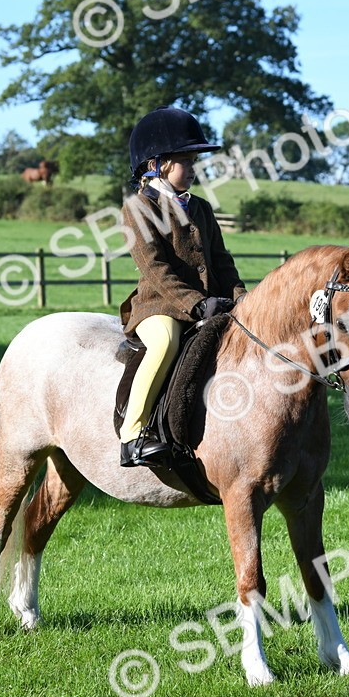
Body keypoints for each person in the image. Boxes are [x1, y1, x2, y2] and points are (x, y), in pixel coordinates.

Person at [117, 105, 247, 468]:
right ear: (157, 164)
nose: (193, 169)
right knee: (166, 342)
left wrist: (241, 298)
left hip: (209, 303)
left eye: (194, 162)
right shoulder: (137, 209)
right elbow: (155, 268)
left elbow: (222, 261)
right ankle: (133, 435)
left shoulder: (202, 208)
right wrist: (195, 304)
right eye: (186, 161)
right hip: (158, 306)